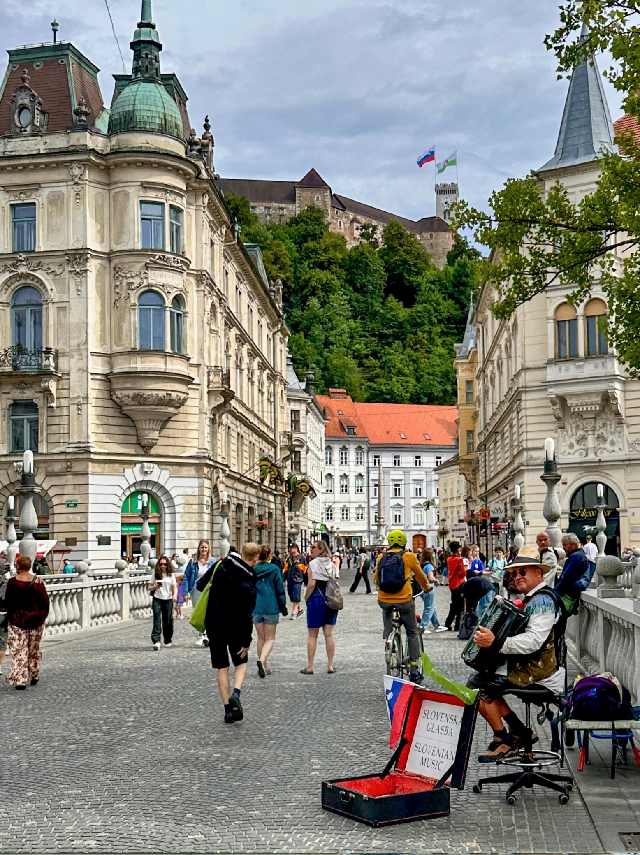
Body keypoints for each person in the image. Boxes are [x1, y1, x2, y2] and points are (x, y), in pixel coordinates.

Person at [467, 546, 565, 762]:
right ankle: (518, 732)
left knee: (479, 686)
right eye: (514, 573)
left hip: (539, 671)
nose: (517, 576)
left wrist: (496, 643)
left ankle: (505, 738)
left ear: (538, 573)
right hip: (530, 665)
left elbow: (533, 641)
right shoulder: (533, 598)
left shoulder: (542, 601)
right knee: (478, 682)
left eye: (523, 572)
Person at [201, 543, 260, 724]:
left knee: (222, 667)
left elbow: (200, 585)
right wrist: (247, 640)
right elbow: (248, 613)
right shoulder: (249, 577)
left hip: (214, 623)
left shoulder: (222, 564)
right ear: (255, 558)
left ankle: (227, 710)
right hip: (236, 626)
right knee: (241, 662)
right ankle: (236, 693)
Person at [374, 529, 431, 684]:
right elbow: (420, 576)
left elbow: (376, 579)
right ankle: (414, 669)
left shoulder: (381, 557)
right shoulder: (409, 557)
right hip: (404, 599)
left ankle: (389, 639)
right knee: (412, 632)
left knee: (386, 611)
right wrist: (427, 587)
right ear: (404, 542)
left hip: (384, 600)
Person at [4, 555, 50, 689]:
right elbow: (45, 603)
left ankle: (20, 679)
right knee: (33, 649)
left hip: (17, 621)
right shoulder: (38, 582)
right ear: (29, 566)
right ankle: (34, 674)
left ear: (18, 566)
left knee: (19, 650)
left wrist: (10, 616)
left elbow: (8, 602)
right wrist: (41, 617)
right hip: (36, 620)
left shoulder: (12, 582)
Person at [300, 540, 339, 675]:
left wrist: (306, 597)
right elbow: (335, 580)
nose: (311, 549)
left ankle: (310, 666)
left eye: (313, 547)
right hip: (331, 599)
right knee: (329, 634)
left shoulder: (313, 563)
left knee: (312, 635)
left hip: (317, 597)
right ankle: (330, 665)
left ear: (321, 549)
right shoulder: (332, 563)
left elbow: (311, 584)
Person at [253, 545, 287, 677]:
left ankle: (265, 666)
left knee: (260, 638)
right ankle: (262, 661)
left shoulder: (253, 569)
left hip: (256, 607)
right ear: (269, 555)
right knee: (270, 638)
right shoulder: (274, 569)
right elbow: (280, 589)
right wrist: (283, 606)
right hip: (271, 606)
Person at [184, 540, 216, 646]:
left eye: (205, 547)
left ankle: (206, 635)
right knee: (199, 613)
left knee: (208, 612)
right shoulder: (193, 562)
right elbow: (186, 576)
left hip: (209, 590)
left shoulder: (213, 562)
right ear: (199, 548)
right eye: (202, 547)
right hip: (196, 590)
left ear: (208, 549)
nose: (203, 549)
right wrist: (186, 591)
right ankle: (202, 635)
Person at [555, 533, 591, 613]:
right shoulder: (579, 555)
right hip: (573, 593)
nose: (563, 548)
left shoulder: (576, 556)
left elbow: (567, 577)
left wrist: (555, 593)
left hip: (568, 596)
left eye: (565, 545)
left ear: (573, 545)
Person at [149, 555, 176, 651]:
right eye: (161, 564)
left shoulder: (171, 574)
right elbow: (149, 587)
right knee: (156, 619)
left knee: (167, 620)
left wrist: (174, 595)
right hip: (157, 598)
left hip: (168, 599)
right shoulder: (155, 574)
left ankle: (167, 639)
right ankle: (156, 641)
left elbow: (174, 586)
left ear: (168, 564)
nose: (163, 566)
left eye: (165, 564)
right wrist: (155, 586)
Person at [418, 548, 447, 633]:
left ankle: (436, 625)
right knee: (429, 608)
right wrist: (436, 580)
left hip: (422, 588)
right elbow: (430, 578)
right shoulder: (429, 566)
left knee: (431, 607)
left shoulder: (422, 564)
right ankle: (423, 626)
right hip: (428, 588)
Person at [444, 542, 466, 632]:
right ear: (457, 550)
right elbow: (462, 573)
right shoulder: (459, 560)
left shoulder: (449, 559)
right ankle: (457, 625)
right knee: (460, 606)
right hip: (459, 584)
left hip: (452, 584)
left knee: (454, 604)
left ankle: (448, 623)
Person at [283, 544, 307, 620]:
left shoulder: (302, 558)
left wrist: (306, 581)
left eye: (293, 548)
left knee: (296, 595)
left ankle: (294, 612)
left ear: (296, 549)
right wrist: (283, 578)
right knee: (291, 595)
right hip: (289, 579)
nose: (292, 550)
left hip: (298, 579)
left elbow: (305, 570)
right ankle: (299, 609)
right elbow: (285, 569)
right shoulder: (289, 558)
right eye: (291, 549)